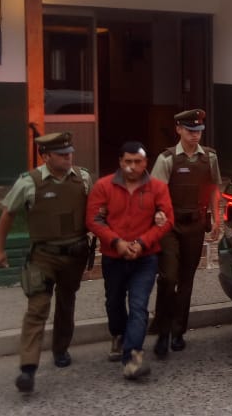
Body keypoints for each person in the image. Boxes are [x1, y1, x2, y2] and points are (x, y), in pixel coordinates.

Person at [0, 131, 92, 394]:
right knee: (37, 308)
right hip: (43, 256)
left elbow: (94, 211)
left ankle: (61, 349)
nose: (69, 157)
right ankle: (28, 368)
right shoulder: (29, 183)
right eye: (62, 154)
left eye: (70, 152)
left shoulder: (82, 178)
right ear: (46, 156)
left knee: (67, 302)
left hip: (74, 255)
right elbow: (7, 215)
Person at [86, 141, 173, 381]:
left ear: (145, 163)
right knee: (114, 302)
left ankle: (132, 357)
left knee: (138, 307)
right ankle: (118, 334)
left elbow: (167, 220)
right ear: (120, 162)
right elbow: (93, 220)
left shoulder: (157, 188)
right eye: (128, 162)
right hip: (114, 257)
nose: (132, 167)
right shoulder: (103, 186)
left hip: (145, 258)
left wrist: (142, 243)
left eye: (137, 162)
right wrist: (118, 243)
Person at [149, 108, 222, 357]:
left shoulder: (209, 157)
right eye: (190, 131)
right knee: (168, 278)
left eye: (199, 131)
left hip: (196, 223)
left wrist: (217, 217)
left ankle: (178, 331)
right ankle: (162, 327)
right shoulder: (167, 159)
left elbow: (213, 187)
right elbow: (155, 193)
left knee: (187, 280)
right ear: (178, 129)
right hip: (170, 225)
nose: (195, 136)